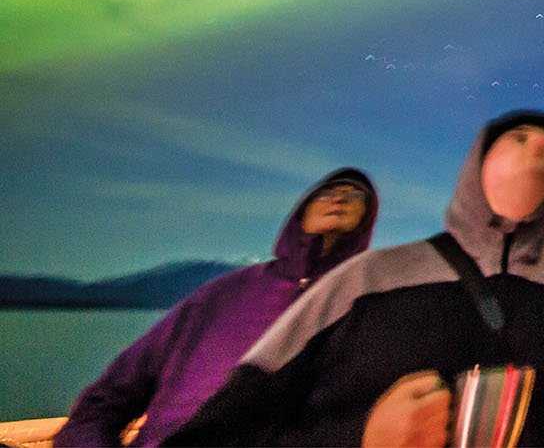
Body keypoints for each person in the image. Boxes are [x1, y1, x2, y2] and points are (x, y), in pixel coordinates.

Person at [164, 112, 544, 447]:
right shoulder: (370, 278)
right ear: (478, 163)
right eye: (519, 137)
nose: (537, 149)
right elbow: (231, 424)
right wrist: (361, 436)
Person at [54, 170, 378, 447]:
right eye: (328, 191)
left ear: (368, 218)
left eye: (355, 194)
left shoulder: (371, 306)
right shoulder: (223, 294)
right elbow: (104, 402)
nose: (340, 198)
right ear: (299, 213)